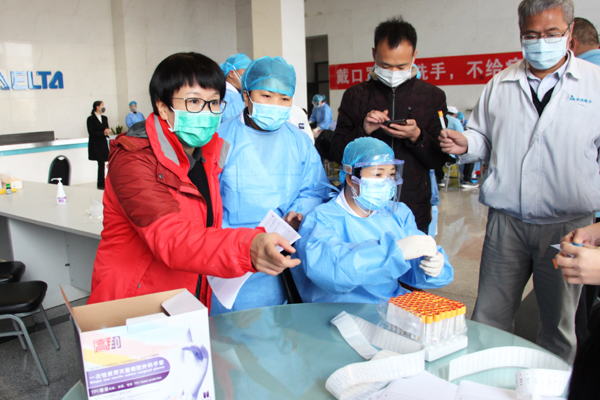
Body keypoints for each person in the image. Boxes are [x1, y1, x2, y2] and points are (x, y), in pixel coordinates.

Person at [439, 0, 600, 362]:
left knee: (558, 324)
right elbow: (483, 137)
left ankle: (556, 384)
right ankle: (485, 379)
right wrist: (467, 143)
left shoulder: (594, 84)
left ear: (570, 33)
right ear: (520, 34)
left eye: (551, 33)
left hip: (568, 224)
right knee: (489, 315)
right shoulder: (501, 83)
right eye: (531, 35)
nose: (541, 42)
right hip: (507, 222)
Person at [88, 52, 300, 309]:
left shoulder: (208, 154)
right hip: (134, 308)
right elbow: (172, 239)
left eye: (213, 103)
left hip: (186, 300)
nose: (206, 112)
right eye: (194, 101)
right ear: (163, 107)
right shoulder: (133, 161)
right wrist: (247, 246)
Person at [212, 56, 330, 315]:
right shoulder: (220, 140)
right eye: (266, 96)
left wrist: (300, 211)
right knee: (232, 332)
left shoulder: (298, 141)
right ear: (246, 96)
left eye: (284, 99)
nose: (275, 105)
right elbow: (206, 202)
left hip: (284, 260)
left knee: (281, 328)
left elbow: (315, 189)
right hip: (233, 261)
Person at [292, 137, 453, 304]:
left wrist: (429, 264)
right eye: (377, 174)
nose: (387, 181)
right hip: (339, 311)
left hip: (390, 308)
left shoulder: (398, 214)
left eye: (391, 174)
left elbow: (411, 269)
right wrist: (392, 252)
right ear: (350, 178)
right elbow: (331, 272)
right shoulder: (320, 219)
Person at [330, 17, 449, 234]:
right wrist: (363, 130)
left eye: (401, 66)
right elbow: (337, 152)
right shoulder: (355, 96)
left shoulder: (432, 97)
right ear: (374, 54)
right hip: (361, 210)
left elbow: (439, 159)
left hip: (413, 207)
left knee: (411, 254)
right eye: (385, 65)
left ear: (414, 56)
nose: (393, 72)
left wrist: (417, 137)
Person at [220, 53, 251, 122]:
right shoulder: (231, 98)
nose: (249, 76)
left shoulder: (236, 95)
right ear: (231, 73)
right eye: (246, 71)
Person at [86, 101, 110, 190]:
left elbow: (106, 128)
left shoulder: (104, 118)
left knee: (107, 162)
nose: (103, 107)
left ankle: (107, 181)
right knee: (101, 163)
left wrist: (107, 132)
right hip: (96, 144)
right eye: (102, 106)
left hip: (103, 143)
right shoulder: (90, 119)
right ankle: (101, 183)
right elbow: (91, 132)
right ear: (97, 107)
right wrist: (102, 133)